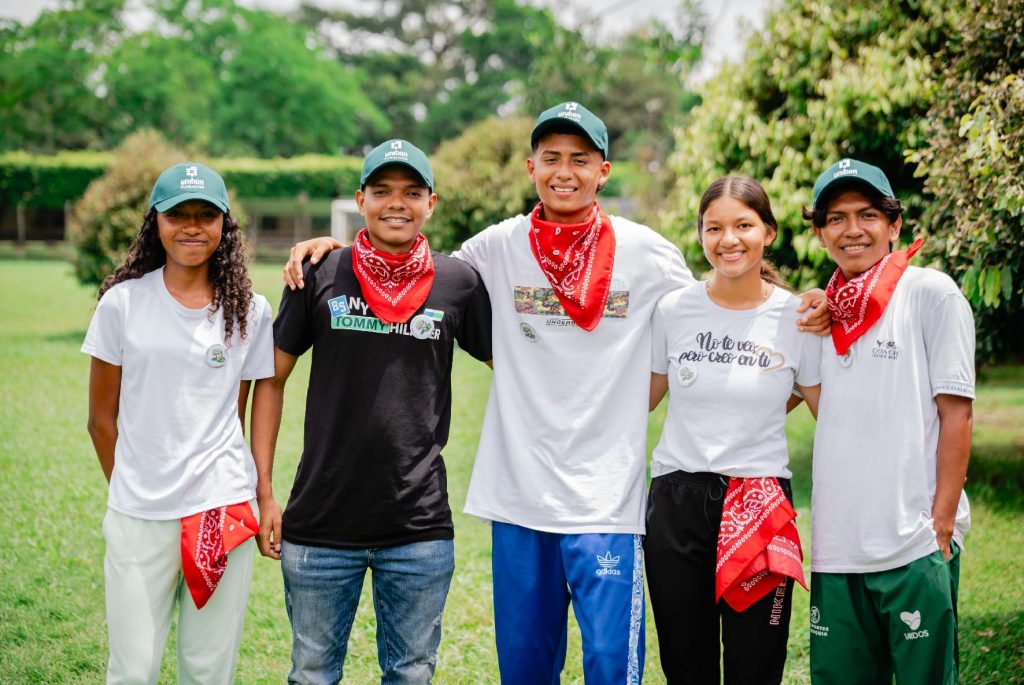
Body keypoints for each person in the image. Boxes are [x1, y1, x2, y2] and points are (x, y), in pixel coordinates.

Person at [283, 103, 829, 683]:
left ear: (604, 171)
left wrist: (797, 305)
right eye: (551, 159)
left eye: (580, 159)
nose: (564, 171)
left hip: (608, 503)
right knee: (525, 667)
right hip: (520, 496)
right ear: (530, 168)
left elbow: (720, 304)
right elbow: (414, 266)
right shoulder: (496, 248)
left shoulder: (647, 252)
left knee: (609, 668)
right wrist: (336, 251)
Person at [252, 139, 492, 684]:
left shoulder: (458, 282)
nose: (396, 203)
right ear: (360, 199)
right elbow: (270, 379)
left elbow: (519, 367)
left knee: (410, 675)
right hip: (319, 525)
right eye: (381, 191)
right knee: (311, 674)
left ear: (432, 203)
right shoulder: (318, 272)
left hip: (418, 526)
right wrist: (264, 492)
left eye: (411, 192)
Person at [83, 162, 275, 684]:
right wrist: (133, 487)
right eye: (178, 215)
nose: (192, 226)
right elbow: (101, 420)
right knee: (133, 668)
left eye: (206, 215)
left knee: (208, 668)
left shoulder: (250, 313)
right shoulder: (122, 304)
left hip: (219, 511)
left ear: (224, 226)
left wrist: (256, 491)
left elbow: (233, 414)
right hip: (138, 515)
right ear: (155, 224)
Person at [803, 159, 974, 685]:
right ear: (820, 232)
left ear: (894, 224)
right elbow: (814, 405)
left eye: (868, 214)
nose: (852, 230)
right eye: (836, 218)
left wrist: (940, 522)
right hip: (837, 545)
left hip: (913, 541)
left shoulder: (931, 292)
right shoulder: (819, 315)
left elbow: (957, 411)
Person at [645, 176, 821, 684]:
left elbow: (825, 407)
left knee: (756, 665)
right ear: (700, 235)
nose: (729, 239)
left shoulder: (797, 317)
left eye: (743, 225)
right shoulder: (674, 309)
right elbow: (643, 398)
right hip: (677, 501)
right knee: (685, 663)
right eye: (714, 227)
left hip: (760, 501)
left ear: (768, 232)